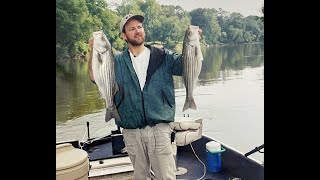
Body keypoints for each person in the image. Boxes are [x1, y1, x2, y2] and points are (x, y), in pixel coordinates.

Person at [88, 14, 201, 180]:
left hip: (159, 129)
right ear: (123, 35)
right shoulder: (116, 61)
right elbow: (94, 77)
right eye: (131, 29)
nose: (137, 31)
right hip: (131, 130)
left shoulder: (162, 56)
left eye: (139, 27)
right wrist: (93, 51)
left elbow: (187, 66)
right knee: (140, 177)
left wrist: (194, 44)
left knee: (166, 177)